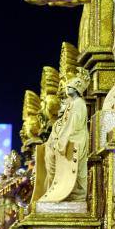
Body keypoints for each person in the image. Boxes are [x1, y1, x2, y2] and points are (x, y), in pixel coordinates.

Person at [37, 68, 90, 203]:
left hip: (75, 140)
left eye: (69, 86)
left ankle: (76, 195)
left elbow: (73, 125)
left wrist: (63, 139)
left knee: (76, 171)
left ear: (76, 89)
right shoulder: (71, 105)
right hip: (68, 139)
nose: (67, 89)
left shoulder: (79, 104)